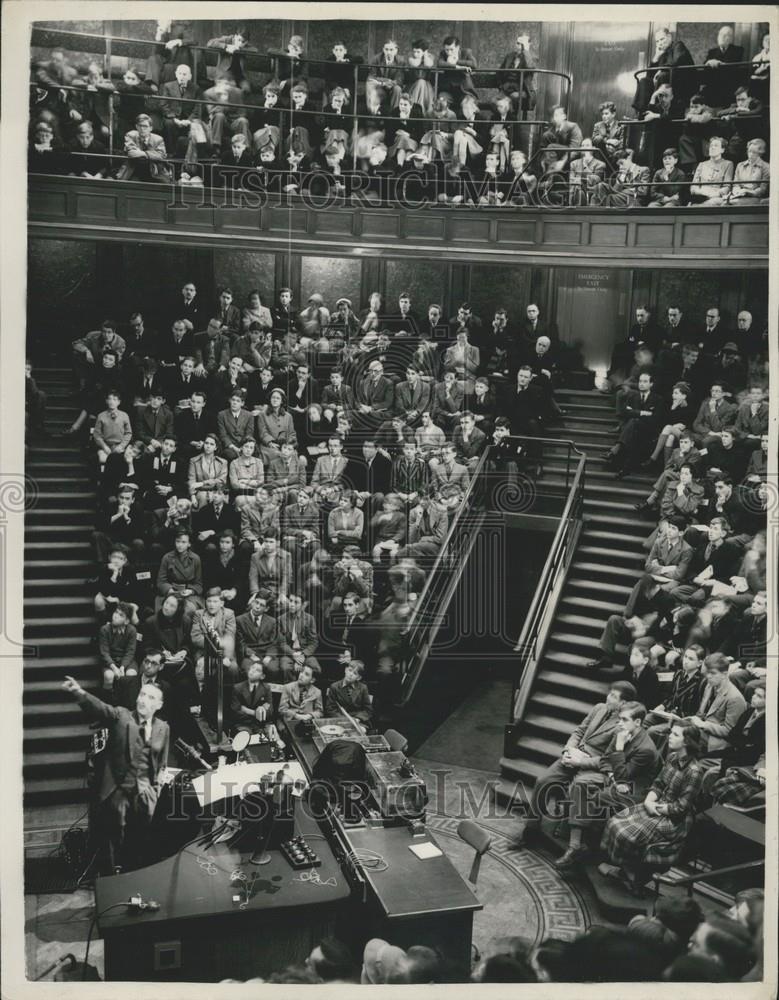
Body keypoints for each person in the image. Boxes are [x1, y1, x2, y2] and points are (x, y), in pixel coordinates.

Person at [62, 673, 169, 872]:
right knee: (114, 835)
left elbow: (161, 761)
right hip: (118, 790)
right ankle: (112, 878)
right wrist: (79, 692)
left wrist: (156, 789)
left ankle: (136, 875)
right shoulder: (121, 715)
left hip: (145, 792)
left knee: (141, 838)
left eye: (151, 697)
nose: (144, 700)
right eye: (142, 694)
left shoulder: (163, 728)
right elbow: (99, 708)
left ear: (159, 705)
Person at [518, 680, 638, 842]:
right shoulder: (598, 708)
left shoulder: (622, 725)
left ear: (623, 703)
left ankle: (567, 837)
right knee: (543, 780)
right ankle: (531, 829)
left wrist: (579, 761)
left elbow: (607, 759)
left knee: (574, 790)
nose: (607, 697)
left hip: (590, 766)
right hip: (573, 755)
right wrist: (568, 750)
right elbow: (579, 731)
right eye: (609, 693)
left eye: (613, 696)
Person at [599, 721, 706, 895]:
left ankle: (632, 877)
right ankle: (627, 871)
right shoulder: (672, 757)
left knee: (627, 834)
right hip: (656, 805)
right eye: (671, 732)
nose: (670, 736)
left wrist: (655, 808)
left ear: (687, 742)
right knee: (614, 822)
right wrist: (649, 801)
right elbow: (658, 783)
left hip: (674, 819)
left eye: (676, 735)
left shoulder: (694, 772)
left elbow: (681, 807)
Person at [554, 701, 660, 871]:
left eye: (624, 720)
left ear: (638, 722)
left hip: (633, 789)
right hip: (616, 778)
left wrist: (618, 749)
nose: (619, 723)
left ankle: (589, 847)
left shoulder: (646, 749)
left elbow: (624, 776)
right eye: (619, 719)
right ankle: (575, 846)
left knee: (594, 796)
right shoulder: (621, 731)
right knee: (581, 784)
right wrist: (611, 774)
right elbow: (604, 760)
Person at [116, 114, 173, 183]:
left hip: (154, 171)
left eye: (145, 126)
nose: (142, 129)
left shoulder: (158, 139)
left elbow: (161, 156)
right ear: (136, 126)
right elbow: (131, 153)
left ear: (151, 128)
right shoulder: (130, 135)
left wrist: (143, 153)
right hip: (133, 170)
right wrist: (151, 154)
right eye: (140, 126)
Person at [277, 593, 320, 680]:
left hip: (304, 653)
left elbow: (314, 642)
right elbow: (282, 643)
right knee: (285, 668)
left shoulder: (310, 619)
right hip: (289, 653)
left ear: (303, 605)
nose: (292, 604)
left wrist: (303, 655)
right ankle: (291, 689)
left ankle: (306, 690)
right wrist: (293, 654)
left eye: (296, 602)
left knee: (316, 668)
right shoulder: (281, 619)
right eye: (291, 601)